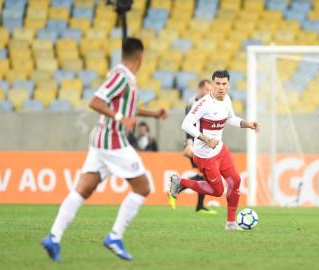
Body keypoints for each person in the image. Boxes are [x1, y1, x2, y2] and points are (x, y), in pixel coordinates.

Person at [41, 37, 167, 262]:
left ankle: (54, 237)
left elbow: (129, 108)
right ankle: (115, 236)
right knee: (143, 186)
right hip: (112, 140)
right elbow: (96, 101)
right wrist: (120, 118)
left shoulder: (123, 75)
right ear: (141, 56)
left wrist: (154, 113)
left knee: (83, 190)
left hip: (101, 140)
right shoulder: (121, 76)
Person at [169, 70, 260, 230]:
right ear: (212, 85)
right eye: (217, 83)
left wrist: (248, 124)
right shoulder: (203, 104)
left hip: (220, 150)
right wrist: (205, 139)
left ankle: (231, 223)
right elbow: (186, 124)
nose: (221, 87)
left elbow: (230, 118)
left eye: (224, 84)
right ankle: (180, 182)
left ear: (228, 85)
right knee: (218, 191)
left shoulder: (227, 100)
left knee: (235, 181)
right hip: (204, 156)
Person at [167, 79, 217, 214]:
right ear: (200, 89)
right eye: (207, 89)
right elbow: (189, 125)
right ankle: (177, 187)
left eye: (210, 90)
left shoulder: (204, 102)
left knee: (205, 176)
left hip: (202, 143)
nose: (209, 92)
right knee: (205, 175)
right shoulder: (194, 103)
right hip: (195, 144)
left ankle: (198, 205)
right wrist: (189, 144)